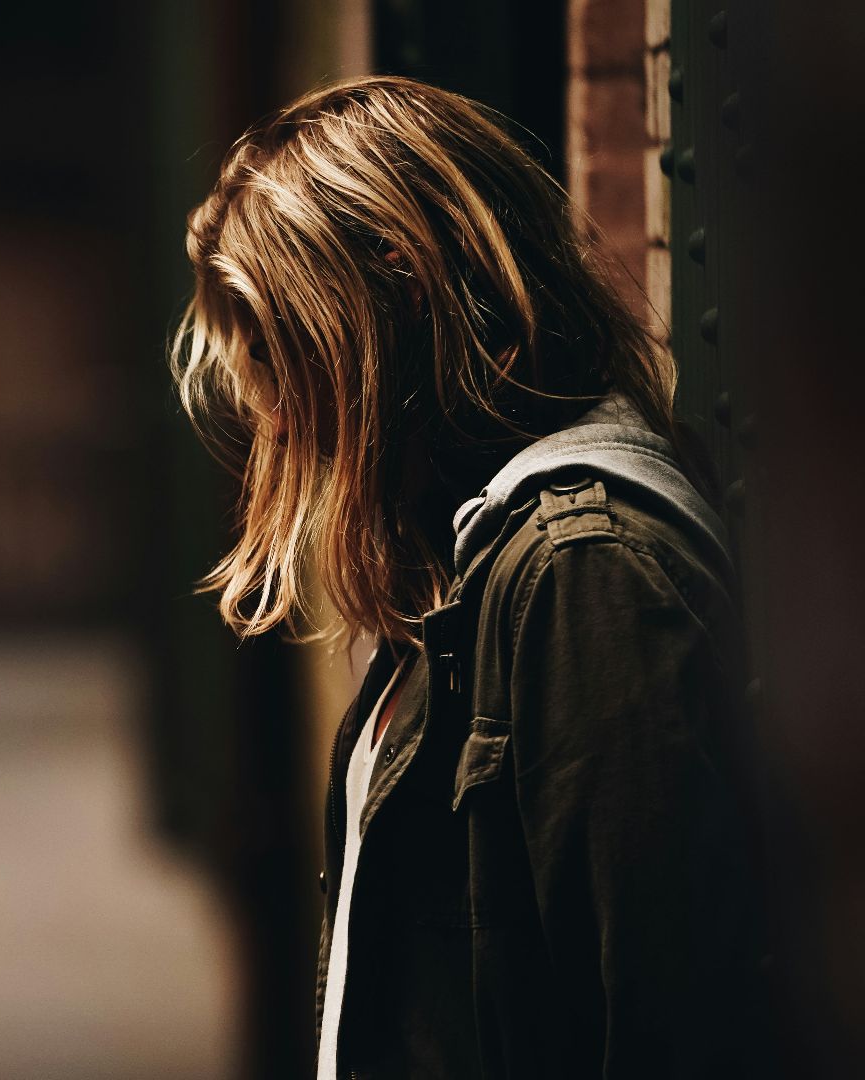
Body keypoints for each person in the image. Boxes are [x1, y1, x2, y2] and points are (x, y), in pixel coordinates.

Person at [170, 76, 769, 1079]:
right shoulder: (474, 560)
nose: (272, 412)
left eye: (281, 346)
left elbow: (669, 1028)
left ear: (399, 284)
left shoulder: (585, 571)